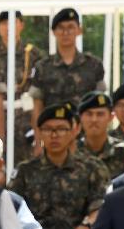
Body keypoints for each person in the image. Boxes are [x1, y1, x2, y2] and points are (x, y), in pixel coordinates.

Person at [28, 8, 106, 148]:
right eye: (61, 28)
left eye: (71, 27)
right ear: (53, 32)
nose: (66, 33)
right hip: (53, 136)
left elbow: (100, 105)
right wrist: (38, 141)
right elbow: (37, 108)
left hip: (85, 138)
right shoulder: (42, 67)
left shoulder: (93, 65)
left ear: (79, 30)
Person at [0, 11, 44, 160]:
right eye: (4, 23)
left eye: (13, 23)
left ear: (22, 25)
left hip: (26, 119)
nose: (8, 27)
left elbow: (38, 93)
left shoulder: (33, 54)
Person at [76, 91, 124, 178]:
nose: (94, 119)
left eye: (100, 114)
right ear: (80, 118)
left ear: (111, 117)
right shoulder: (71, 153)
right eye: (89, 114)